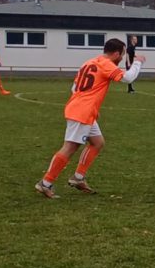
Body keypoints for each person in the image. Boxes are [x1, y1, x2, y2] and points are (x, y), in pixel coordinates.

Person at [35, 38, 145, 198]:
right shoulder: (106, 64)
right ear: (116, 54)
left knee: (97, 142)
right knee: (70, 147)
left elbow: (74, 88)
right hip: (82, 112)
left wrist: (89, 105)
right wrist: (138, 62)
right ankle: (45, 183)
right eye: (121, 55)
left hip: (82, 109)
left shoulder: (89, 62)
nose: (121, 58)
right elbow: (127, 78)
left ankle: (78, 178)